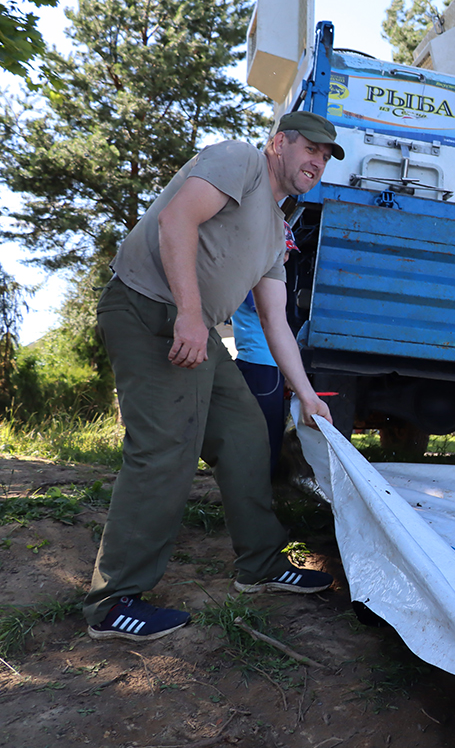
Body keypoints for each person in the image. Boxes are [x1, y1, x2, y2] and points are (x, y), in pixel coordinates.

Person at [83, 111, 344, 642]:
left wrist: (307, 395)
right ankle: (113, 602)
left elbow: (276, 320)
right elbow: (176, 219)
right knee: (164, 446)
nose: (316, 161)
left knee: (246, 432)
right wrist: (188, 313)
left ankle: (261, 565)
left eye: (325, 156)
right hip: (146, 309)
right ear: (279, 144)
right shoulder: (240, 160)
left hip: (189, 324)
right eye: (309, 148)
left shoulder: (278, 228)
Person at [231, 222, 298, 477]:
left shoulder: (249, 276)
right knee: (266, 437)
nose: (287, 257)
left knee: (265, 434)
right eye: (284, 250)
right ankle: (257, 492)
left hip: (262, 364)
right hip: (262, 365)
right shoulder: (256, 280)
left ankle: (256, 489)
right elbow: (271, 319)